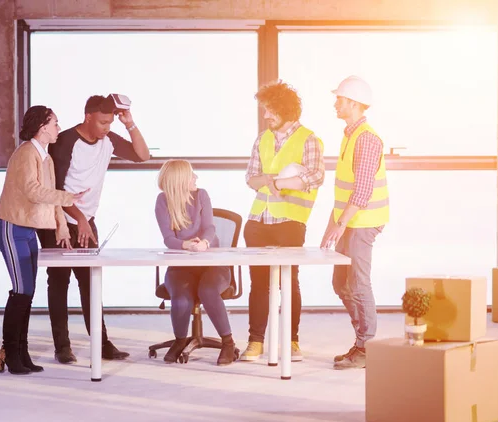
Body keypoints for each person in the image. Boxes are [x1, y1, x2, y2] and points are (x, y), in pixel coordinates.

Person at [37, 94, 151, 364]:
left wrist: (130, 124)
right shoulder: (65, 142)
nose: (106, 128)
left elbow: (142, 156)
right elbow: (56, 190)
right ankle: (62, 347)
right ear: (87, 117)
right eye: (102, 122)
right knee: (59, 283)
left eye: (110, 122)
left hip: (87, 220)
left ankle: (101, 343)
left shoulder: (108, 139)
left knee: (91, 283)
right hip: (59, 222)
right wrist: (80, 218)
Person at [0, 106, 86, 375]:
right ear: (43, 126)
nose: (59, 128)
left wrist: (62, 228)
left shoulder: (45, 158)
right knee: (21, 292)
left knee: (28, 293)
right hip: (13, 230)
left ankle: (21, 353)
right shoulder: (26, 153)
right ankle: (11, 353)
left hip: (29, 231)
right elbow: (33, 191)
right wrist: (69, 198)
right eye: (56, 123)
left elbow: (51, 194)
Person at [241, 81, 325, 362]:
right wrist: (267, 180)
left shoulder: (308, 139)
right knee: (259, 284)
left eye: (270, 111)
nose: (266, 116)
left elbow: (315, 177)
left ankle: (291, 341)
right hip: (258, 221)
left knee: (289, 282)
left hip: (289, 222)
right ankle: (255, 342)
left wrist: (279, 181)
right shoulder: (262, 139)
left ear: (285, 110)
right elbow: (251, 178)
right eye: (265, 111)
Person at [320, 76, 390, 370]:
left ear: (353, 103)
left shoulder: (367, 138)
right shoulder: (349, 135)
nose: (335, 103)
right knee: (341, 283)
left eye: (339, 98)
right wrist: (331, 228)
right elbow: (343, 192)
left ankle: (366, 347)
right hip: (349, 221)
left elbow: (361, 192)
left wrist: (340, 226)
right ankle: (361, 342)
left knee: (359, 283)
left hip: (363, 222)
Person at [154, 160, 238, 366]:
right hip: (182, 266)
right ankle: (180, 341)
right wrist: (186, 245)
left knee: (208, 291)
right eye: (191, 174)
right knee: (181, 299)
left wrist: (204, 243)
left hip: (213, 264)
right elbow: (168, 239)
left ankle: (228, 343)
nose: (196, 178)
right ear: (180, 180)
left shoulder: (201, 195)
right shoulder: (163, 201)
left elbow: (210, 227)